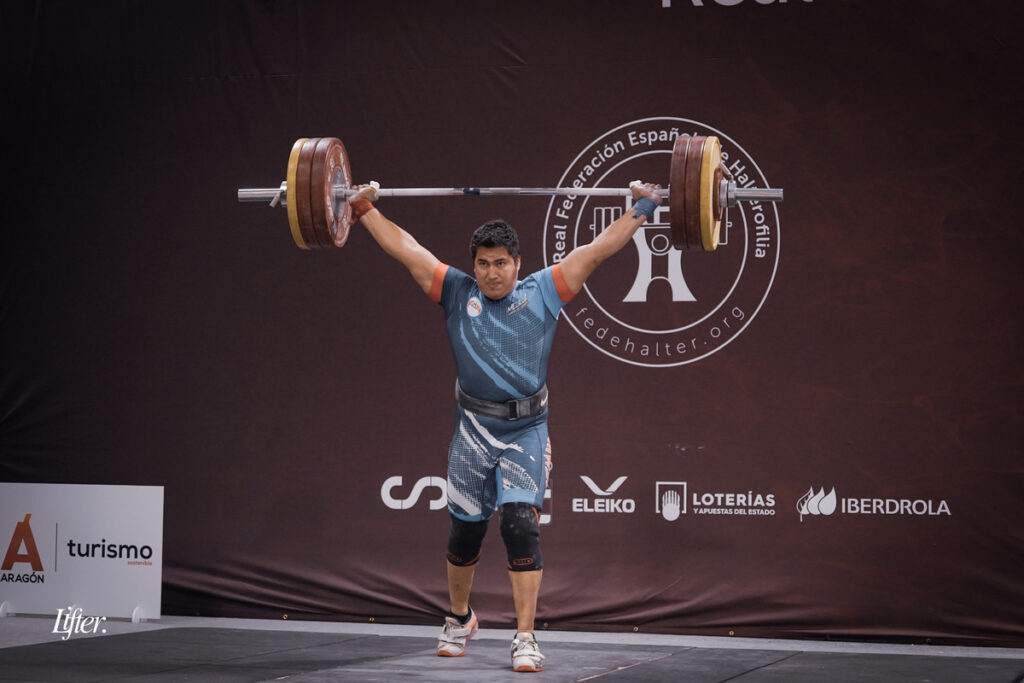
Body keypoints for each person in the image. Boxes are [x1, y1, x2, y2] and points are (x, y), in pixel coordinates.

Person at [348, 180, 662, 673]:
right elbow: (407, 249)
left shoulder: (545, 289)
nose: (492, 273)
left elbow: (598, 251)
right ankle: (459, 619)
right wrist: (361, 206)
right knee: (463, 535)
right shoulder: (456, 292)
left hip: (526, 429)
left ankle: (524, 636)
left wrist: (644, 206)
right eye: (483, 263)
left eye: (501, 263)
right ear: (474, 266)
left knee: (520, 526)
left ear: (517, 263)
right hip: (473, 429)